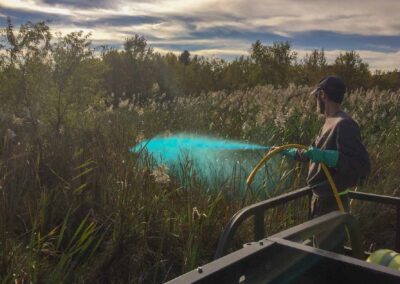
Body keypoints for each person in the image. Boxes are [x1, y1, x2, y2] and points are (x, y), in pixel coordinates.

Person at [283, 75, 371, 250]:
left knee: (327, 257)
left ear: (323, 95)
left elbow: (361, 166)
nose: (316, 100)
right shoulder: (328, 122)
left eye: (317, 96)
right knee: (320, 250)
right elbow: (314, 152)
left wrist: (328, 157)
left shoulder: (344, 124)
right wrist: (292, 153)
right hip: (321, 199)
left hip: (332, 201)